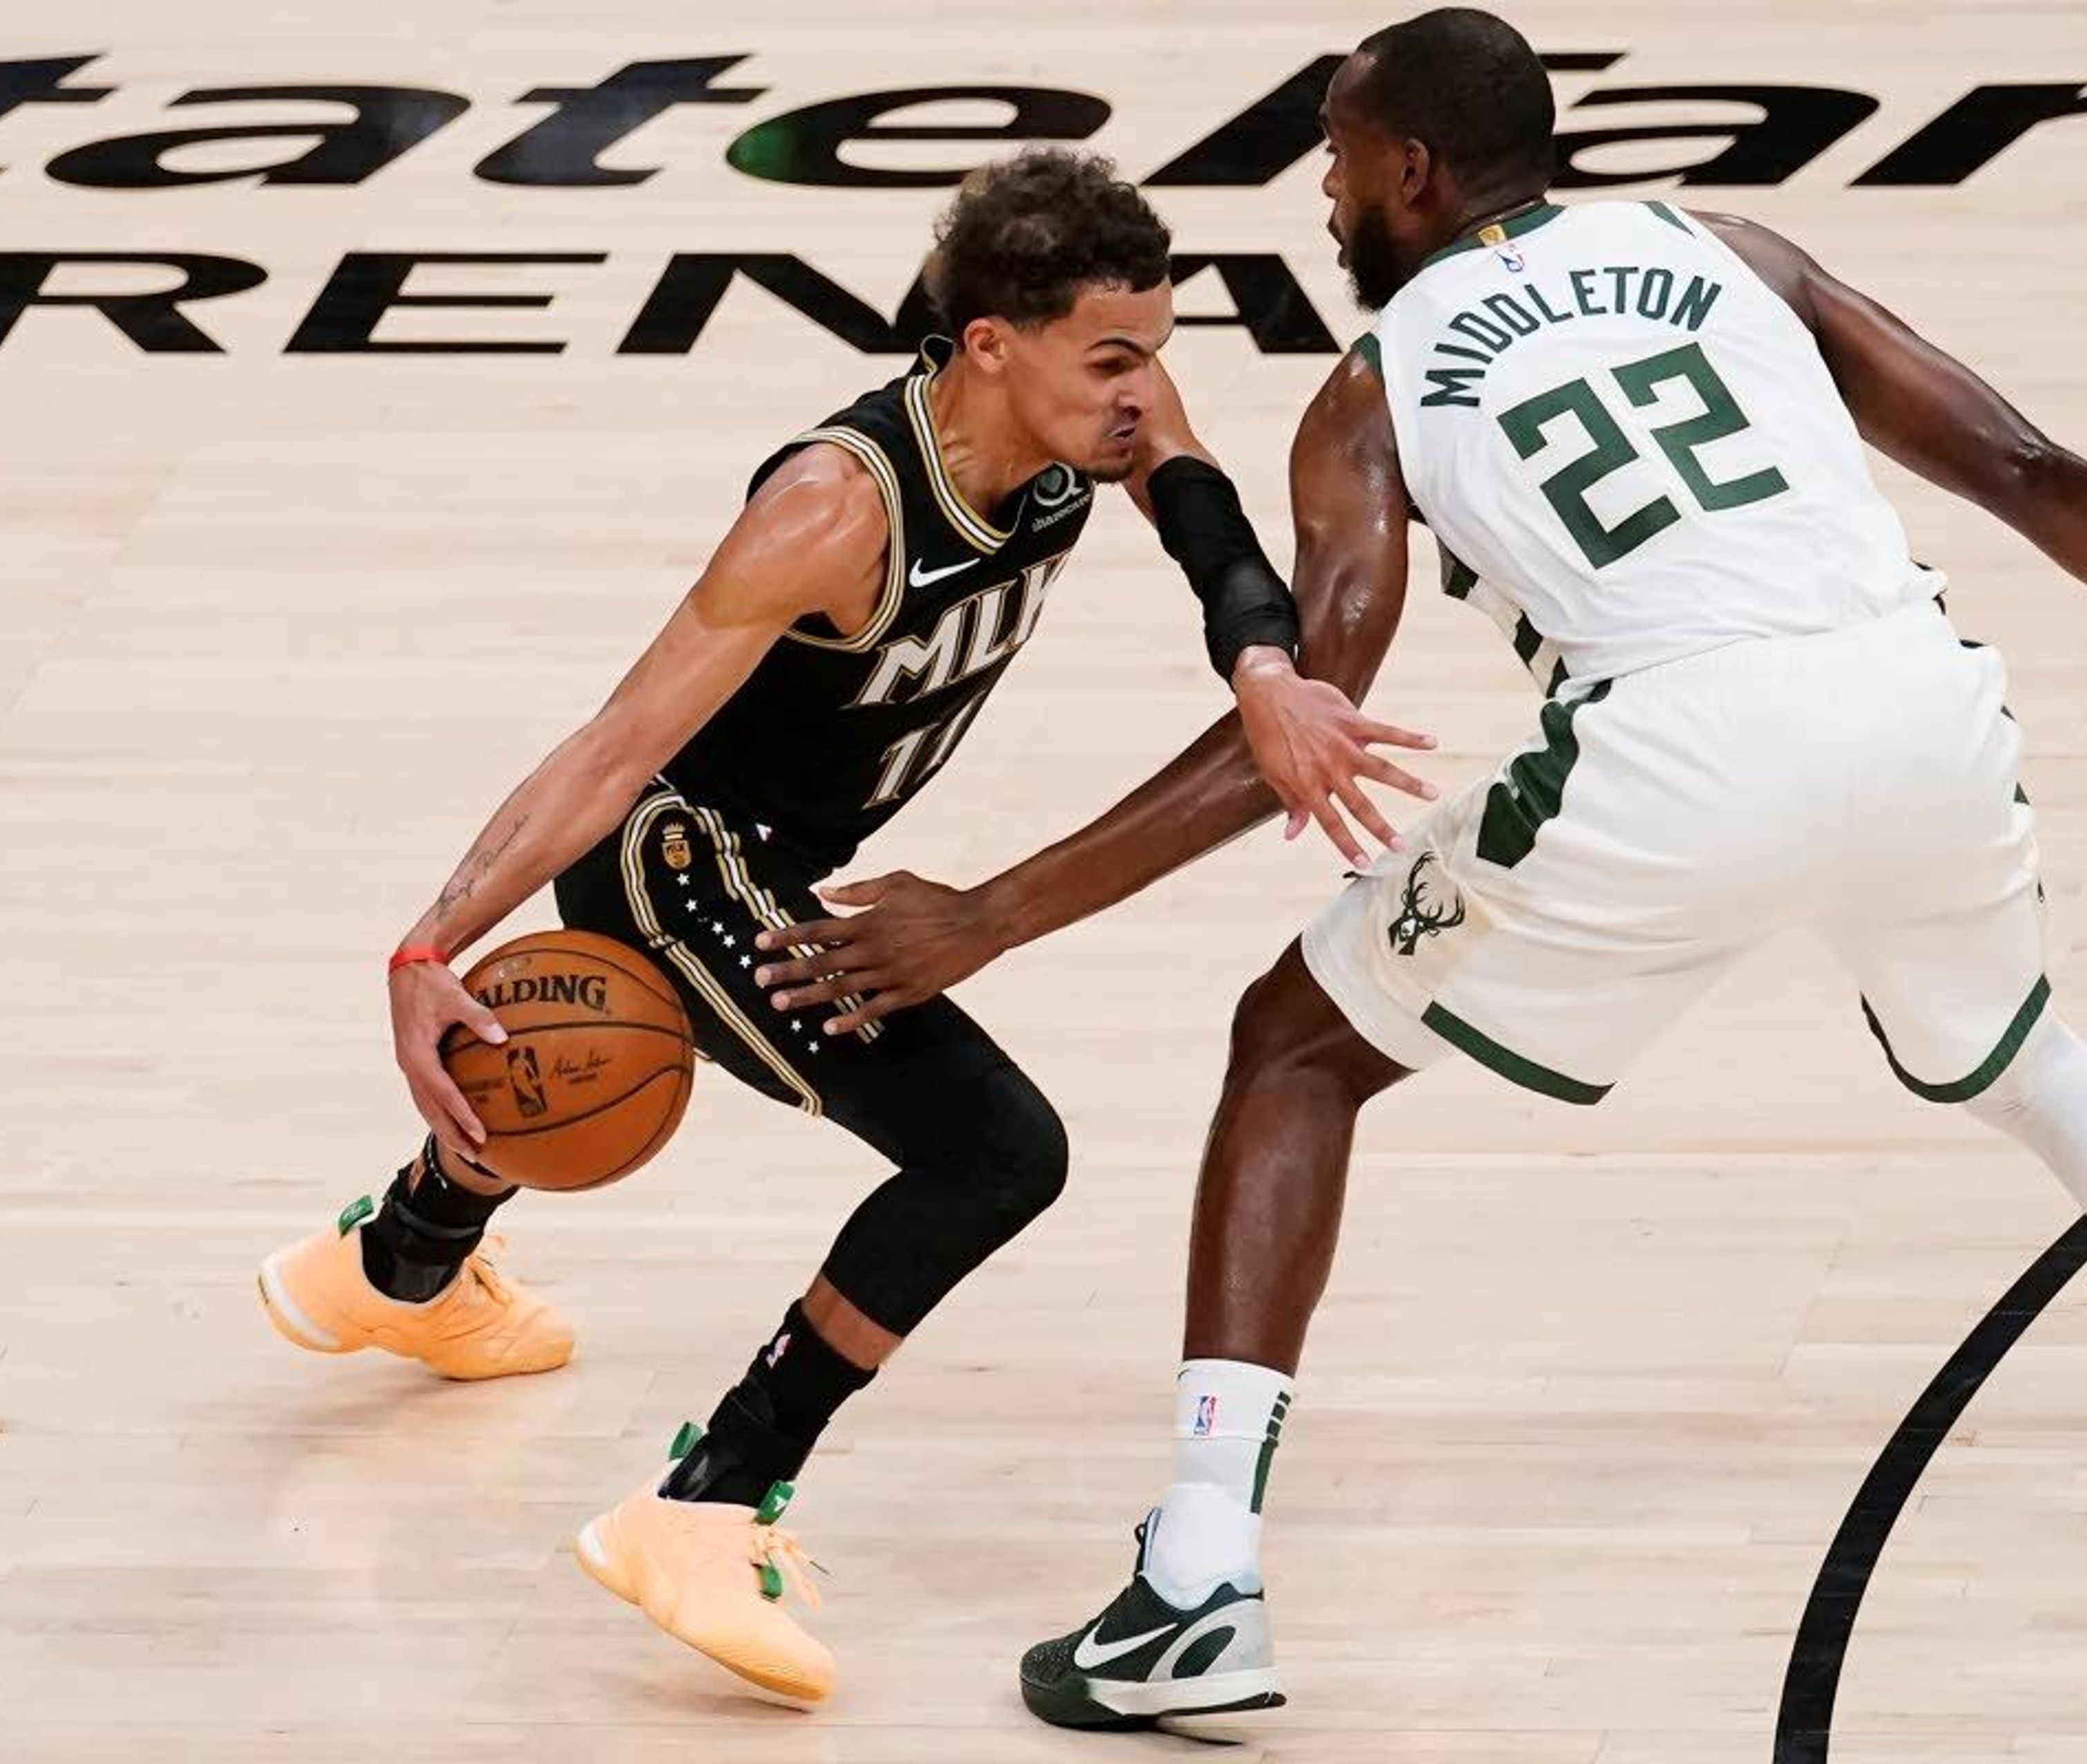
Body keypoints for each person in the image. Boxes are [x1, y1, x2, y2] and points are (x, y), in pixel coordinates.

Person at [880, 10, 2087, 1727]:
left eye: (1337, 158)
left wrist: (992, 911)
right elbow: (2024, 465)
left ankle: (1197, 1574)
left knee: (1297, 1047)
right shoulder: (1730, 246)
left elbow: (1311, 711)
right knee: (2037, 1061)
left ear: (1412, 167)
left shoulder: (1373, 384)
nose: (1327, 195)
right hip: (1920, 706)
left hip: (1676, 750)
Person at [251, 147, 1432, 1705]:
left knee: (590, 1078)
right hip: (681, 857)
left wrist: (1266, 670)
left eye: (1154, 343)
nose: (1148, 387)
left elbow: (1208, 528)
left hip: (790, 850)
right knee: (996, 1150)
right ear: (989, 345)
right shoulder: (834, 506)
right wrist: (423, 949)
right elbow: (613, 747)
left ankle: (403, 1258)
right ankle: (709, 1498)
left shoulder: (1095, 412)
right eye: (1115, 354)